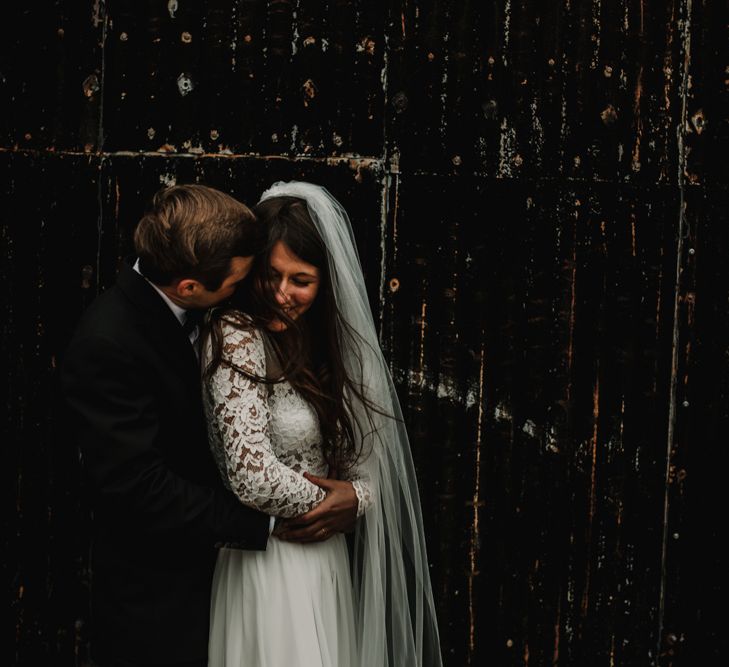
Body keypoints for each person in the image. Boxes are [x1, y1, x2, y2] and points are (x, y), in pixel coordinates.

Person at [201, 181, 443, 666]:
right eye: (270, 275)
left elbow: (365, 463)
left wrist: (360, 495)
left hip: (325, 561)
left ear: (325, 283)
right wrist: (337, 500)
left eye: (301, 280)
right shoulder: (235, 335)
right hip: (268, 560)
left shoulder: (330, 346)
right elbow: (250, 477)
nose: (281, 293)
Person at [61, 184, 275, 667]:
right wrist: (265, 523)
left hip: (232, 581)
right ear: (189, 288)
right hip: (160, 598)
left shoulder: (203, 299)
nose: (246, 289)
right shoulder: (106, 344)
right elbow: (139, 487)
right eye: (238, 282)